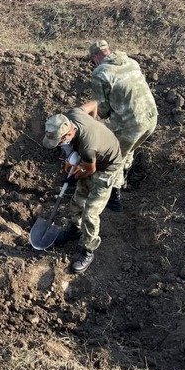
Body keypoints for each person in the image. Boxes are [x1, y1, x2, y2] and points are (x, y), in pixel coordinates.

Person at [42, 107, 123, 274]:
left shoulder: (87, 146)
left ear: (68, 135)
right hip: (93, 157)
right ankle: (74, 230)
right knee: (78, 200)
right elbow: (93, 104)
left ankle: (88, 250)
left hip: (107, 167)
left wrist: (73, 177)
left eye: (59, 141)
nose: (59, 144)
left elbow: (90, 170)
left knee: (90, 212)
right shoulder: (70, 116)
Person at [82, 40, 158, 212]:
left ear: (95, 57)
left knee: (111, 159)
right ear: (108, 50)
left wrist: (88, 121)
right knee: (127, 150)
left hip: (131, 124)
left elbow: (103, 110)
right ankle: (123, 180)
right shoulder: (131, 62)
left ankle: (112, 198)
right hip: (151, 119)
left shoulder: (100, 72)